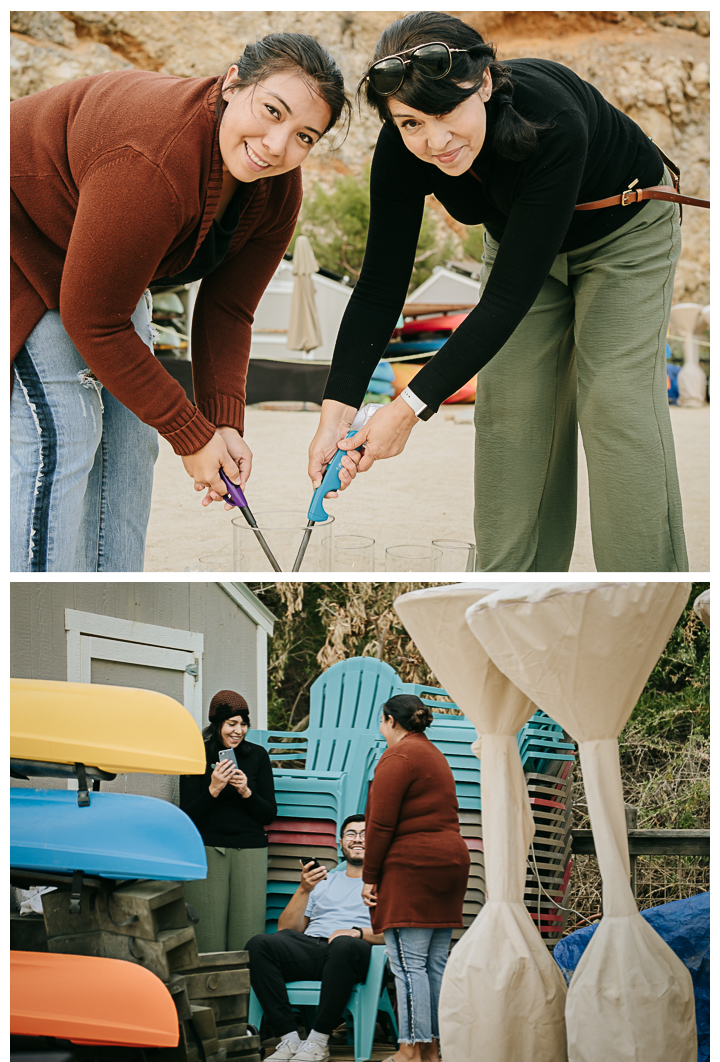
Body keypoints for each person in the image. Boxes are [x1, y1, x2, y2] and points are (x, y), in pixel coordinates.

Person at [308, 11, 691, 573]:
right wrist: (334, 411)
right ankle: (512, 596)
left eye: (445, 112)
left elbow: (505, 301)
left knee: (614, 401)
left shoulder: (552, 118)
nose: (434, 141)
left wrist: (408, 410)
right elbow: (379, 286)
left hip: (625, 236)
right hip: (517, 241)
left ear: (483, 83)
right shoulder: (400, 147)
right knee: (509, 412)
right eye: (411, 123)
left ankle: (642, 587)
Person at [11, 33, 350, 571]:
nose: (276, 144)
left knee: (131, 442)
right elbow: (92, 318)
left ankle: (111, 597)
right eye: (271, 110)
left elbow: (227, 309)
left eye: (304, 135)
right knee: (67, 429)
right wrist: (191, 436)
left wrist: (221, 424)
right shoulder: (154, 157)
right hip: (22, 237)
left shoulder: (278, 188)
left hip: (96, 269)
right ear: (234, 82)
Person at [361, 695, 470, 1062]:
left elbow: (380, 823)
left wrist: (370, 876)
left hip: (414, 866)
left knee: (408, 966)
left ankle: (409, 1053)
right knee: (434, 965)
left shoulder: (398, 757)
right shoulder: (433, 754)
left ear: (391, 720)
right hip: (450, 861)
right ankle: (432, 1052)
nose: (381, 728)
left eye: (381, 721)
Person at [246, 814, 385, 1062]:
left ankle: (319, 1040)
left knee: (343, 944)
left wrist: (357, 932)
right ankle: (289, 1038)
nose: (358, 839)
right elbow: (286, 930)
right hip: (314, 948)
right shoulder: (323, 881)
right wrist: (303, 889)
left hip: (354, 952)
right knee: (258, 944)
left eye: (365, 834)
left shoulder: (386, 883)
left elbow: (397, 932)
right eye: (351, 834)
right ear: (340, 842)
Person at [180, 690, 276, 953]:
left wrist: (246, 792)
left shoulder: (257, 756)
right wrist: (213, 789)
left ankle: (245, 994)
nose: (239, 730)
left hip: (251, 849)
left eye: (243, 724)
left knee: (248, 934)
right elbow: (188, 816)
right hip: (209, 848)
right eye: (231, 724)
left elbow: (268, 814)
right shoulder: (196, 755)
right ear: (217, 724)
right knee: (207, 935)